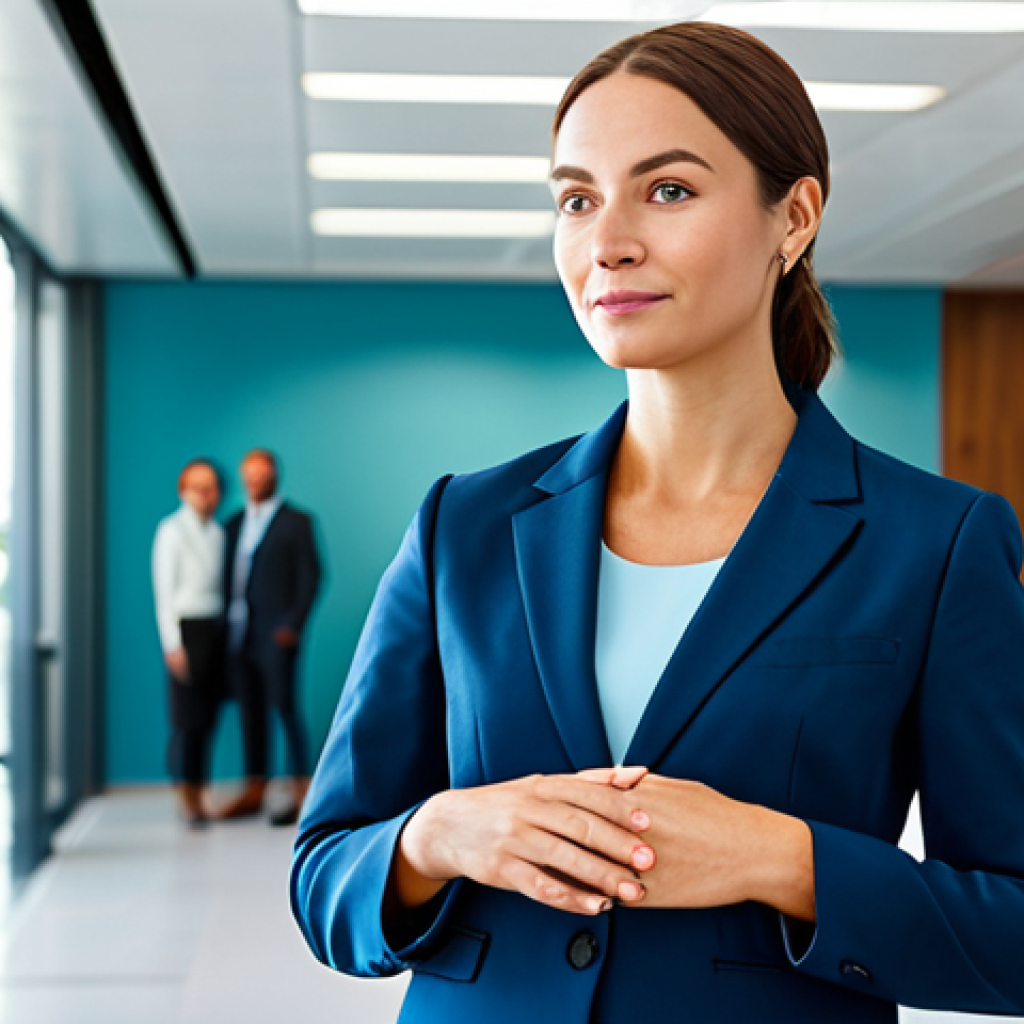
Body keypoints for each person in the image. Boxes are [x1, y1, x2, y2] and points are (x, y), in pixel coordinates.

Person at [291, 22, 1024, 1023]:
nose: (608, 241)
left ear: (793, 217)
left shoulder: (936, 544)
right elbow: (325, 873)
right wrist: (439, 836)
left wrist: (782, 857)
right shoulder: (461, 525)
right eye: (576, 198)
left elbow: (1012, 930)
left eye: (667, 189)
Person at [219, 449, 322, 827]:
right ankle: (254, 788)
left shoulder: (297, 522)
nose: (256, 481)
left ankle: (300, 791)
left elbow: (311, 577)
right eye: (250, 475)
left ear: (274, 476)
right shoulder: (232, 524)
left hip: (276, 635)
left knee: (285, 709)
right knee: (250, 712)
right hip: (238, 634)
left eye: (262, 474)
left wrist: (291, 625)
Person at [151, 458, 225, 827]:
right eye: (197, 487)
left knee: (208, 717)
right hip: (187, 627)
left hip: (215, 627)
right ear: (183, 490)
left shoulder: (217, 533)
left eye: (210, 487)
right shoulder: (171, 531)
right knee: (188, 718)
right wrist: (172, 644)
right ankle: (187, 795)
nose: (205, 495)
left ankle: (200, 790)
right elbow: (164, 594)